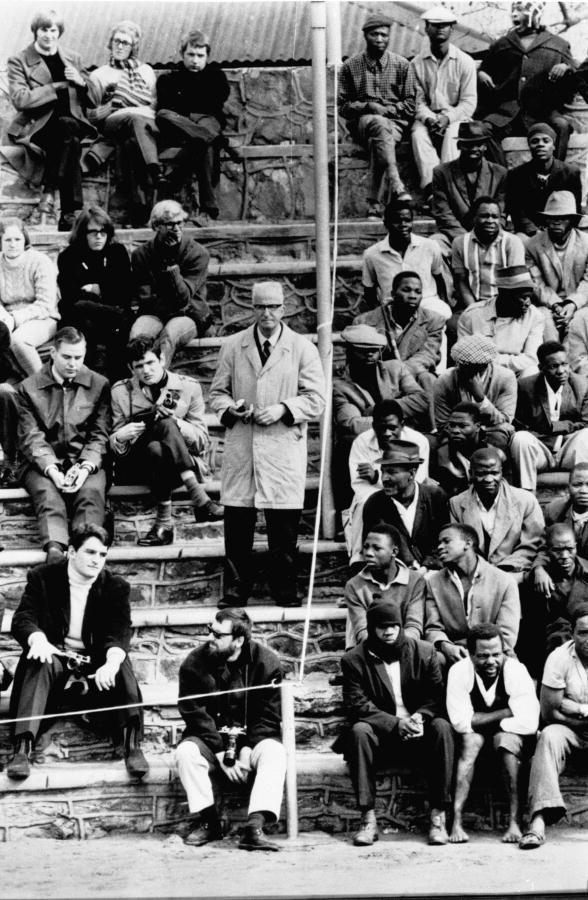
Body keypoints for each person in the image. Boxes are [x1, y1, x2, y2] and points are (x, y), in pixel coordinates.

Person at [209, 281, 325, 609]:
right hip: (243, 444)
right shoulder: (234, 346)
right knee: (238, 522)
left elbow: (316, 399)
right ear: (252, 309)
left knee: (283, 526)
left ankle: (285, 589)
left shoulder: (302, 348)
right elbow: (217, 393)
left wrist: (283, 409)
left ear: (284, 309)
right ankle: (235, 589)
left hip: (282, 445)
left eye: (273, 307)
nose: (267, 314)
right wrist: (231, 408)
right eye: (260, 307)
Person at [7, 523, 148, 782]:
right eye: (90, 553)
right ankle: (22, 749)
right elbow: (24, 617)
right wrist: (37, 639)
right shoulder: (43, 577)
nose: (97, 561)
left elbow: (119, 632)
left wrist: (112, 661)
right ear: (71, 551)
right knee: (38, 659)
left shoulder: (115, 587)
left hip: (93, 660)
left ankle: (132, 745)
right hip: (56, 656)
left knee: (121, 661)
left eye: (102, 555)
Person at [333, 600, 455, 846]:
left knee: (442, 728)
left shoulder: (425, 651)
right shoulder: (354, 659)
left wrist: (420, 717)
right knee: (359, 731)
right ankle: (367, 818)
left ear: (401, 626)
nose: (388, 631)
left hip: (420, 731)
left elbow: (436, 696)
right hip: (383, 735)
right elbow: (358, 705)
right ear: (370, 628)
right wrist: (396, 724)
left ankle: (438, 816)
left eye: (393, 625)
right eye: (381, 626)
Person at [175, 607, 285, 850]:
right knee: (185, 754)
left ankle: (254, 827)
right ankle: (209, 823)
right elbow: (193, 712)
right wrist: (220, 752)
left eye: (217, 635)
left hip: (252, 739)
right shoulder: (195, 662)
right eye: (210, 631)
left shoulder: (267, 663)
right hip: (211, 738)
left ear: (238, 640)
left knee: (275, 753)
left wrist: (247, 750)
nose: (210, 638)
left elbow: (269, 716)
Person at [110, 336, 222, 545]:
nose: (146, 370)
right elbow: (115, 445)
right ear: (131, 368)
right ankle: (200, 499)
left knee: (160, 441)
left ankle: (164, 524)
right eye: (139, 366)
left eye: (150, 362)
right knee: (158, 430)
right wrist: (121, 435)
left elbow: (202, 443)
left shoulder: (188, 387)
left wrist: (178, 424)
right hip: (137, 466)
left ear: (161, 359)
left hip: (171, 461)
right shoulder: (120, 392)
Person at [16, 327, 110, 565]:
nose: (73, 364)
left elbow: (99, 434)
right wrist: (53, 469)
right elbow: (31, 436)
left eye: (78, 357)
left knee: (91, 491)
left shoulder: (99, 384)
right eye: (67, 357)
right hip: (42, 463)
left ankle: (85, 546)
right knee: (47, 493)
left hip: (84, 460)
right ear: (52, 353)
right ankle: (55, 550)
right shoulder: (28, 388)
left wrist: (86, 466)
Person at [446, 623, 539, 844]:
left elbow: (528, 723)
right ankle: (456, 821)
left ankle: (515, 822)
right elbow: (460, 722)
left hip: (508, 736)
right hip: (474, 737)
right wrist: (506, 712)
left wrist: (482, 720)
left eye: (496, 654)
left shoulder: (516, 670)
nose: (491, 661)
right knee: (471, 742)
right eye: (483, 656)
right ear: (470, 654)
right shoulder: (459, 671)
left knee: (505, 742)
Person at [7, 9, 95, 231]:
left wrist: (82, 83)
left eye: (53, 30)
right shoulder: (20, 61)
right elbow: (20, 99)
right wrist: (54, 87)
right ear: (35, 31)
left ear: (59, 32)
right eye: (43, 29)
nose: (48, 35)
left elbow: (94, 98)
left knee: (69, 131)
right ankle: (69, 212)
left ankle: (49, 193)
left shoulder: (73, 58)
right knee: (70, 138)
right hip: (39, 127)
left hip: (74, 123)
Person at [333, 324, 428, 508]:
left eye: (375, 351)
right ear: (349, 352)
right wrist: (384, 421)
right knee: (345, 447)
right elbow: (351, 423)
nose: (370, 355)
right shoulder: (341, 386)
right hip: (370, 440)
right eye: (363, 351)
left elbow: (421, 400)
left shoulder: (395, 368)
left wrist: (385, 411)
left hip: (401, 435)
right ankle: (347, 511)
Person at [520, 604, 588, 849]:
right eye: (583, 633)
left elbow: (563, 705)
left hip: (577, 717)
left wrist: (578, 707)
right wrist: (580, 717)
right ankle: (537, 822)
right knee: (548, 737)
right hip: (567, 729)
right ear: (572, 633)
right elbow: (550, 712)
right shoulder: (559, 658)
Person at [476, 1, 574, 165]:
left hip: (543, 111)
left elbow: (575, 76)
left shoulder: (558, 44)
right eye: (514, 11)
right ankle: (503, 178)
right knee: (484, 129)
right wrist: (481, 73)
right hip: (507, 113)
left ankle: (553, 175)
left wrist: (566, 67)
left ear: (535, 14)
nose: (515, 15)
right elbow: (486, 67)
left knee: (562, 126)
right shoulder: (502, 44)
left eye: (521, 11)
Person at [337, 13, 416, 217]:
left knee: (379, 140)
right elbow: (343, 107)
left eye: (384, 35)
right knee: (378, 124)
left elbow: (410, 104)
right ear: (365, 36)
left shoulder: (402, 65)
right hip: (362, 123)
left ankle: (375, 204)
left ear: (389, 37)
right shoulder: (350, 67)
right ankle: (396, 183)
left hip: (396, 124)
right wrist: (368, 106)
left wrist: (387, 111)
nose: (380, 39)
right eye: (374, 35)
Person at [85, 21, 159, 227]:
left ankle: (139, 209)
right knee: (134, 117)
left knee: (130, 145)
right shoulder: (99, 74)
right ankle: (154, 167)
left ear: (133, 47)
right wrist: (107, 107)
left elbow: (154, 102)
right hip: (113, 123)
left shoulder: (145, 71)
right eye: (117, 41)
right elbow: (90, 114)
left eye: (125, 43)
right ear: (110, 43)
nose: (120, 46)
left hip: (140, 125)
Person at [156, 29, 231, 224]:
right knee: (164, 115)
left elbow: (214, 104)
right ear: (182, 55)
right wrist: (189, 113)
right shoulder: (169, 79)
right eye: (191, 55)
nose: (195, 60)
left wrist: (188, 110)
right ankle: (214, 138)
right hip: (181, 128)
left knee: (202, 142)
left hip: (207, 121)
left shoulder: (215, 77)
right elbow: (166, 107)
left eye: (200, 56)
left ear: (207, 56)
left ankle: (205, 204)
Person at [355, 270, 446, 429]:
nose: (413, 295)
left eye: (418, 292)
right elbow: (360, 356)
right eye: (406, 290)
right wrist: (389, 372)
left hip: (414, 375)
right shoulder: (365, 321)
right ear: (393, 293)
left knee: (427, 379)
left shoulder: (434, 320)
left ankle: (433, 431)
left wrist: (400, 372)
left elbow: (428, 355)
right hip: (377, 374)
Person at [344, 399, 429, 567]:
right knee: (365, 502)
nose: (387, 433)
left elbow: (416, 480)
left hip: (407, 492)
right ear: (373, 425)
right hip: (371, 492)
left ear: (402, 424)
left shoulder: (418, 440)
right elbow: (359, 484)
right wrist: (383, 488)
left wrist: (377, 478)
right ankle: (359, 558)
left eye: (392, 428)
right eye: (381, 428)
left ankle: (414, 557)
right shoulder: (362, 442)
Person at [129, 200, 212, 368]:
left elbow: (184, 298)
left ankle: (158, 383)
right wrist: (165, 307)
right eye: (170, 224)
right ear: (157, 226)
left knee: (169, 336)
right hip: (155, 313)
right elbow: (145, 297)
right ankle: (137, 385)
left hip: (189, 315)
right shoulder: (142, 255)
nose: (176, 229)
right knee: (137, 337)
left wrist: (171, 266)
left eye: (180, 223)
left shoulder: (197, 254)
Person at [424, 524, 521, 665]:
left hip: (494, 654)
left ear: (468, 543)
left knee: (514, 672)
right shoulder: (433, 582)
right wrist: (446, 646)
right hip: (453, 654)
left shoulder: (504, 581)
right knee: (435, 661)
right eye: (439, 543)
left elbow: (507, 635)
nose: (439, 547)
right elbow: (433, 627)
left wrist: (479, 656)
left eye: (446, 541)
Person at [449, 447, 545, 584]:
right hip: (474, 574)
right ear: (471, 474)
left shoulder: (525, 500)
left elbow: (532, 545)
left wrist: (501, 572)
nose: (489, 479)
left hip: (514, 573)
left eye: (494, 473)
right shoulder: (456, 503)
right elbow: (458, 546)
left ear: (502, 473)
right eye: (482, 473)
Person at [57, 206, 132, 379]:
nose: (99, 237)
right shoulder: (69, 257)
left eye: (103, 232)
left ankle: (118, 387)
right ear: (83, 233)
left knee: (119, 332)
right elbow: (70, 297)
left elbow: (126, 291)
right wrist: (107, 294)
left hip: (114, 320)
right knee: (81, 326)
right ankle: (81, 385)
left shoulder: (117, 253)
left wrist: (96, 289)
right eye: (93, 232)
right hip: (88, 318)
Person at [410, 6, 477, 198]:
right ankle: (433, 188)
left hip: (456, 117)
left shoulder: (465, 62)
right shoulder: (416, 64)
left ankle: (450, 186)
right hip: (428, 118)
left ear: (452, 29)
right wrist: (430, 119)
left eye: (445, 25)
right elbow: (417, 100)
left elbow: (468, 102)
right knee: (417, 134)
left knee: (454, 134)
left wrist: (447, 118)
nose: (440, 29)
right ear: (426, 28)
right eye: (435, 25)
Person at [512, 341, 588, 491]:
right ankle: (528, 497)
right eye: (554, 366)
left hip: (568, 449)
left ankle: (582, 496)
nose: (561, 371)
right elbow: (519, 424)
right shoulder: (525, 386)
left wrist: (556, 427)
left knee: (586, 435)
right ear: (542, 368)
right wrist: (545, 436)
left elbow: (586, 422)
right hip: (540, 451)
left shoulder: (582, 385)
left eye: (564, 364)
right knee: (520, 438)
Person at [362, 440, 449, 570]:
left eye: (392, 472)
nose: (384, 478)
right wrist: (408, 566)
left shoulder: (436, 497)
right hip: (395, 574)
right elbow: (375, 546)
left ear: (412, 473)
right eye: (383, 471)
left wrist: (426, 567)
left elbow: (445, 539)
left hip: (435, 571)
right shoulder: (375, 503)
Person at [358, 200, 450, 319]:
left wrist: (444, 304)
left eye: (407, 220)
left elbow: (439, 279)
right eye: (397, 221)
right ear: (386, 223)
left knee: (440, 318)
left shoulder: (430, 246)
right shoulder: (372, 254)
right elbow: (369, 291)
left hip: (427, 304)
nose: (403, 225)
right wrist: (379, 316)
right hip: (392, 308)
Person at [520, 524, 588, 678]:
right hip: (549, 658)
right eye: (557, 550)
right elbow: (530, 630)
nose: (564, 556)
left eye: (570, 549)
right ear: (547, 551)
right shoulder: (537, 581)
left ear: (576, 547)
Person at [344, 523, 425, 648]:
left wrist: (396, 648)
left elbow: (414, 626)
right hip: (371, 649)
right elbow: (362, 630)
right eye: (366, 547)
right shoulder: (354, 585)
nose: (368, 553)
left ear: (394, 552)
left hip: (406, 648)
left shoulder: (415, 581)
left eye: (377, 548)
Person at [431, 120, 507, 253]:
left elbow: (500, 211)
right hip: (454, 235)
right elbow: (443, 214)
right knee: (434, 244)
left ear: (485, 147)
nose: (473, 149)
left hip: (489, 234)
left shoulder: (499, 173)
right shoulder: (442, 172)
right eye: (468, 145)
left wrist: (488, 235)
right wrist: (466, 240)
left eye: (478, 144)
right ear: (459, 145)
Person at [457, 265, 545, 377]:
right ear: (504, 294)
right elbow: (464, 356)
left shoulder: (534, 316)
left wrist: (491, 360)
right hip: (481, 375)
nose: (528, 303)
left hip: (516, 374)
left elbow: (532, 359)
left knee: (531, 371)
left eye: (529, 297)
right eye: (523, 297)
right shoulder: (472, 315)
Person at [433, 334, 516, 452]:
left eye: (469, 366)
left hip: (491, 430)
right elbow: (442, 423)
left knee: (499, 436)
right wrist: (465, 429)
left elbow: (504, 420)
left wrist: (480, 398)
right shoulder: (444, 380)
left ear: (485, 365)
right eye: (460, 364)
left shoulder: (505, 377)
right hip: (456, 432)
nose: (462, 369)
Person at [0, 217, 59, 375]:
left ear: (24, 239)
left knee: (19, 341)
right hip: (7, 318)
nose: (13, 244)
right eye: (7, 240)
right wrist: (6, 318)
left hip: (42, 318)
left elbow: (46, 304)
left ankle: (41, 386)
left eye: (17, 239)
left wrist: (15, 319)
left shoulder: (40, 261)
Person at [526, 191, 588, 340]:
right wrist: (556, 305)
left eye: (563, 218)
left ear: (572, 220)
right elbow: (536, 283)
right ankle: (553, 360)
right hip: (547, 304)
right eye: (552, 218)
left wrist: (573, 304)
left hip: (580, 302)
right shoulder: (532, 245)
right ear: (545, 220)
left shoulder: (586, 243)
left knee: (580, 322)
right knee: (543, 322)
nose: (556, 222)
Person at [506, 122, 582, 241]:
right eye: (535, 141)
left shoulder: (570, 173)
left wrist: (560, 230)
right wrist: (534, 232)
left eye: (546, 141)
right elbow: (517, 211)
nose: (540, 144)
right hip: (531, 232)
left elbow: (574, 209)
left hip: (561, 229)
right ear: (529, 146)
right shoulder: (517, 175)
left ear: (554, 146)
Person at [452, 197, 526, 308]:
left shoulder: (512, 242)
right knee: (452, 323)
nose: (490, 221)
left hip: (505, 304)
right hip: (472, 303)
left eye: (495, 217)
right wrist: (474, 310)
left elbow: (516, 284)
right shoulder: (460, 243)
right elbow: (461, 282)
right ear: (474, 218)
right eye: (484, 216)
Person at [434, 402, 489, 497]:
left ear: (477, 427)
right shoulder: (441, 454)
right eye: (452, 425)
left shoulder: (492, 454)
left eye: (462, 426)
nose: (455, 430)